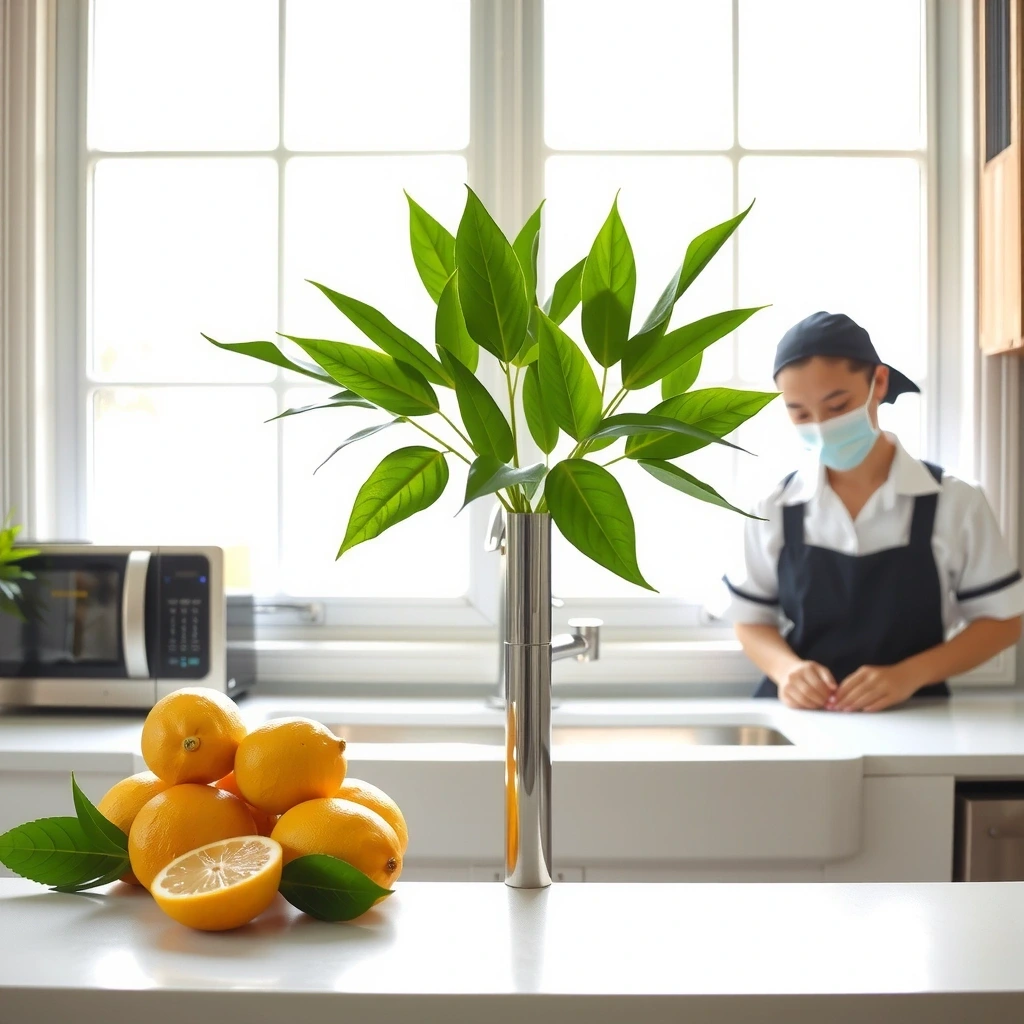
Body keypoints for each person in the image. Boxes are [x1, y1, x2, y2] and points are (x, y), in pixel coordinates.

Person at [720, 311, 1023, 711]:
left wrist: (910, 674)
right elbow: (749, 617)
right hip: (804, 720)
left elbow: (1003, 620)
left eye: (837, 405)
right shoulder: (773, 507)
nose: (821, 426)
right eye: (800, 413)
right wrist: (787, 671)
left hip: (919, 718)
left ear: (878, 383)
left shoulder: (955, 502)